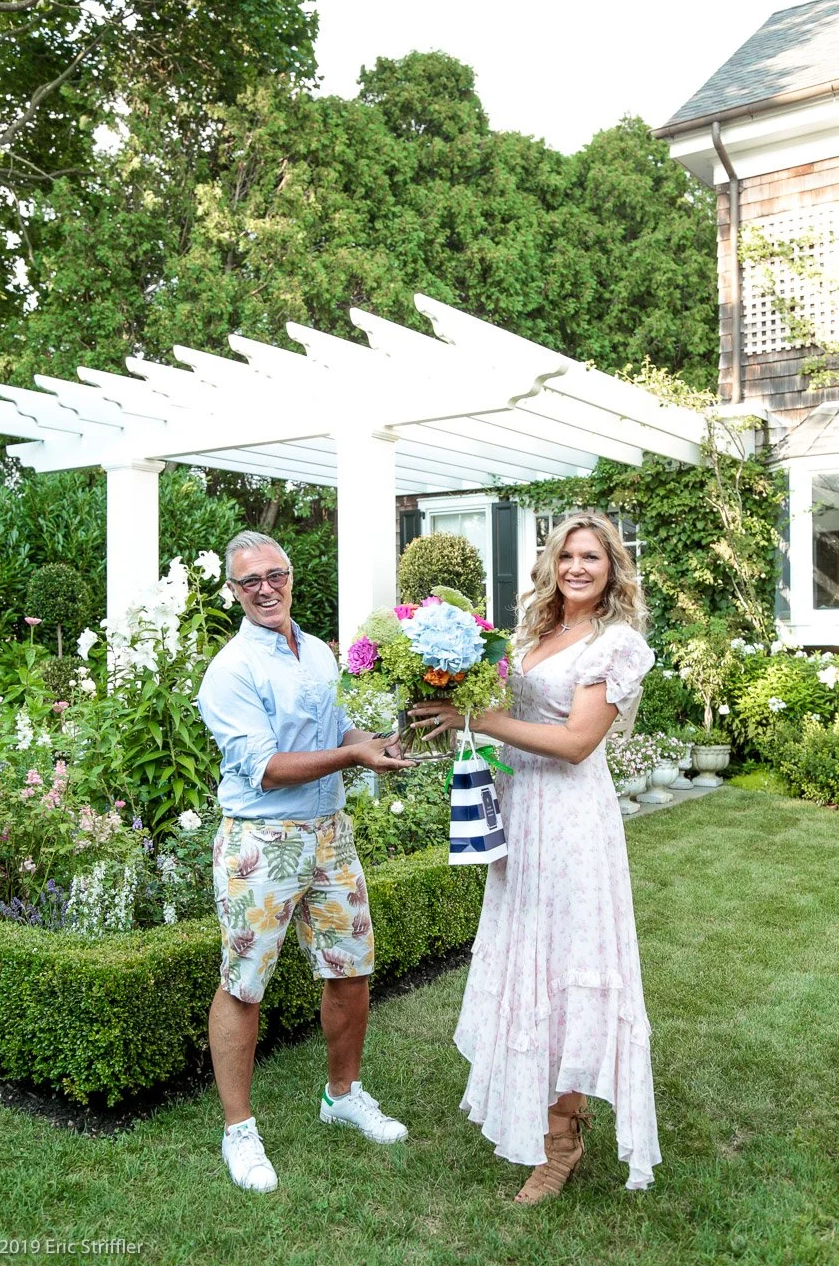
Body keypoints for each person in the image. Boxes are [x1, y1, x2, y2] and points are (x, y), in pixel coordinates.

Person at [411, 512, 661, 1201]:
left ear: (612, 569)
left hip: (573, 821)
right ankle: (551, 1116)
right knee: (530, 957)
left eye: (592, 558)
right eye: (568, 555)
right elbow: (506, 715)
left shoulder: (616, 644)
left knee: (566, 964)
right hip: (521, 813)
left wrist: (480, 719)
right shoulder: (534, 635)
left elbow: (578, 742)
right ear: (552, 563)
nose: (577, 568)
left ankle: (561, 1140)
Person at [197, 530, 414, 1194]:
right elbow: (265, 768)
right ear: (233, 591)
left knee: (351, 970)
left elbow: (336, 731)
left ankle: (341, 1095)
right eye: (250, 581)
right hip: (261, 840)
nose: (266, 589)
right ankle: (239, 1131)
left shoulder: (317, 651)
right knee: (244, 984)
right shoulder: (230, 670)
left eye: (275, 575)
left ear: (290, 577)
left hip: (330, 835)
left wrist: (375, 742)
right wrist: (352, 757)